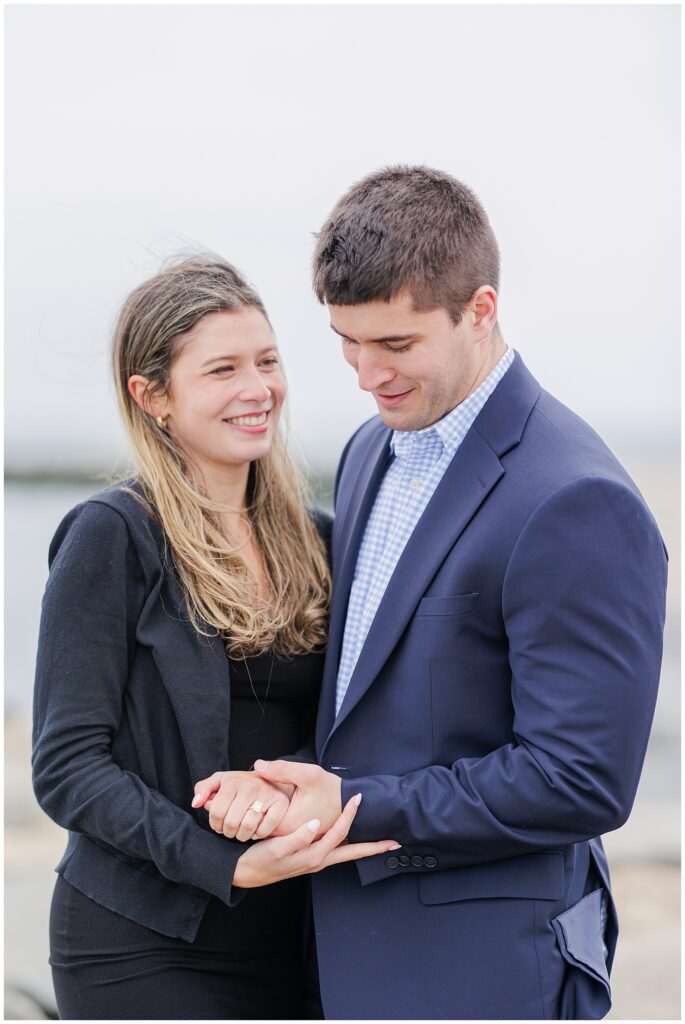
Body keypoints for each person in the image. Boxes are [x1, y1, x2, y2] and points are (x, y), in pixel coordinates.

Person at [195, 167, 668, 1019]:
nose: (367, 374)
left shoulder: (575, 500)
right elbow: (382, 705)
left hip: (482, 969)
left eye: (397, 345)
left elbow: (581, 780)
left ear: (479, 310)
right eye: (348, 341)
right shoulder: (368, 453)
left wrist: (348, 802)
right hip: (338, 951)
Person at [31, 254, 399, 1020]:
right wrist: (226, 865)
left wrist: (281, 783)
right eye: (221, 370)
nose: (257, 388)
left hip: (298, 929)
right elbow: (67, 768)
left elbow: (350, 724)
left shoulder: (323, 540)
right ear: (153, 396)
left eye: (266, 361)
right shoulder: (112, 537)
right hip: (140, 939)